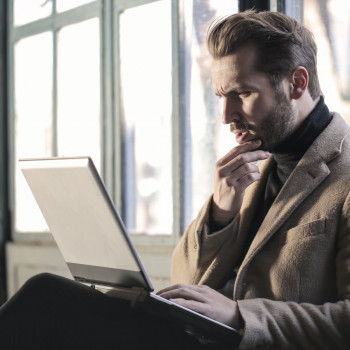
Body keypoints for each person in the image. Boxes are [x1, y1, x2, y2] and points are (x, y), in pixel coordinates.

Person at [1, 9, 350, 350]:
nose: (227, 116)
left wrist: (240, 315)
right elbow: (184, 281)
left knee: (46, 301)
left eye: (242, 94)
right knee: (48, 298)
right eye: (220, 97)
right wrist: (220, 213)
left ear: (298, 83)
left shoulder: (343, 176)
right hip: (189, 335)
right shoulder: (252, 166)